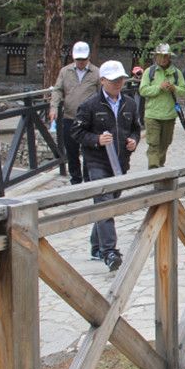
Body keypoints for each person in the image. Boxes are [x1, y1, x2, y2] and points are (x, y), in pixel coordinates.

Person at [71, 60, 141, 271]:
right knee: (105, 203)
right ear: (102, 80)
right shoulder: (90, 105)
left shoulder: (130, 104)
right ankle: (109, 252)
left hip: (120, 163)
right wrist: (96, 139)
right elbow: (76, 132)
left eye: (120, 79)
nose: (118, 83)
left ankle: (96, 246)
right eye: (113, 80)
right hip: (97, 162)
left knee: (108, 204)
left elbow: (136, 129)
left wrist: (134, 141)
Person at [50, 41, 100, 184]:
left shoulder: (96, 72)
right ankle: (75, 179)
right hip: (69, 116)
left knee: (88, 150)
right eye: (78, 59)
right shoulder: (65, 71)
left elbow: (101, 94)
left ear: (88, 57)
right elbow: (57, 90)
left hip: (89, 119)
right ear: (73, 57)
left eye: (83, 59)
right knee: (71, 150)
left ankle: (88, 179)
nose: (81, 62)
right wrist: (54, 107)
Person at [139, 43, 185, 168]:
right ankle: (154, 169)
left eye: (165, 56)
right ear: (155, 56)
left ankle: (159, 167)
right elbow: (143, 90)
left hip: (169, 115)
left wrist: (174, 88)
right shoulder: (149, 72)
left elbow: (184, 91)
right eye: (160, 56)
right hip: (152, 115)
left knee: (165, 144)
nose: (163, 58)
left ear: (169, 57)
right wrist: (159, 87)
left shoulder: (176, 73)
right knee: (153, 144)